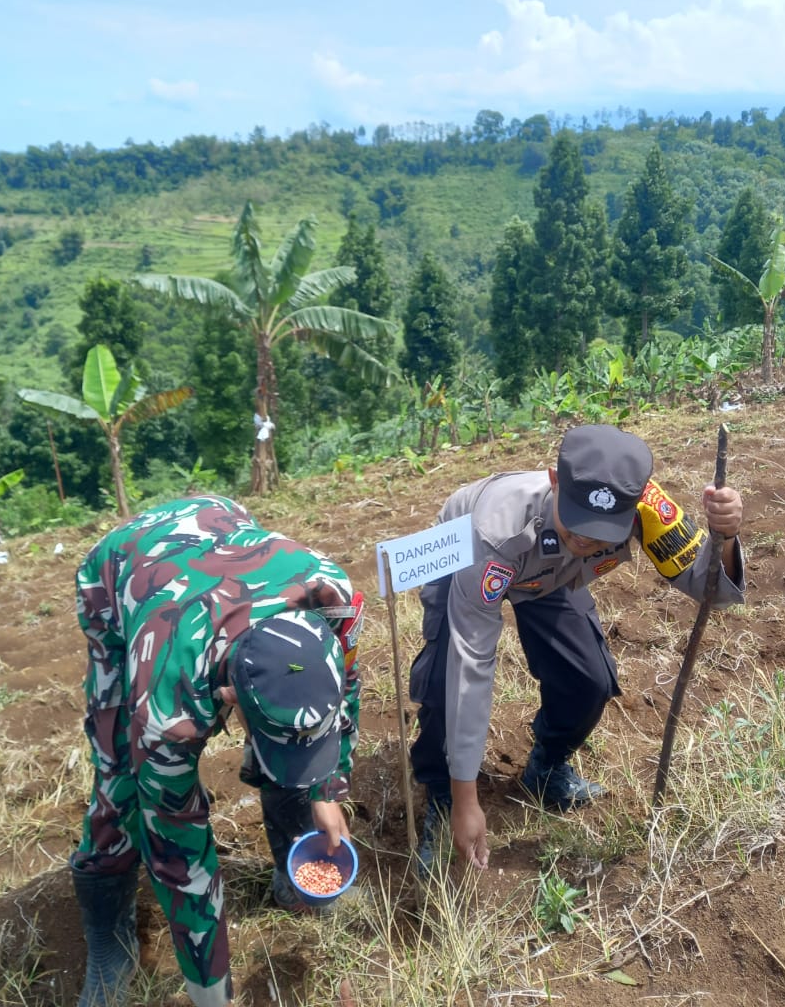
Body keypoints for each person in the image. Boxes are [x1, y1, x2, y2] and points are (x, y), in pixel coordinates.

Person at [69, 495, 363, 1007]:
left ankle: (289, 866)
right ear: (229, 699)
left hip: (217, 518)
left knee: (291, 743)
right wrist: (211, 992)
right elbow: (181, 858)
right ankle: (108, 935)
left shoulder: (332, 597)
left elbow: (346, 688)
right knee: (119, 778)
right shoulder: (167, 706)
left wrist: (327, 787)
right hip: (122, 573)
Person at [409, 424, 744, 872]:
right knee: (442, 681)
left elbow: (712, 592)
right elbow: (472, 662)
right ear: (554, 481)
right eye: (578, 521)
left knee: (589, 679)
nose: (586, 540)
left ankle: (546, 770)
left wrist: (725, 537)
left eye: (601, 530)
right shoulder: (494, 531)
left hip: (548, 577)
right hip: (467, 556)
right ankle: (441, 794)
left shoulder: (645, 507)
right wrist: (467, 797)